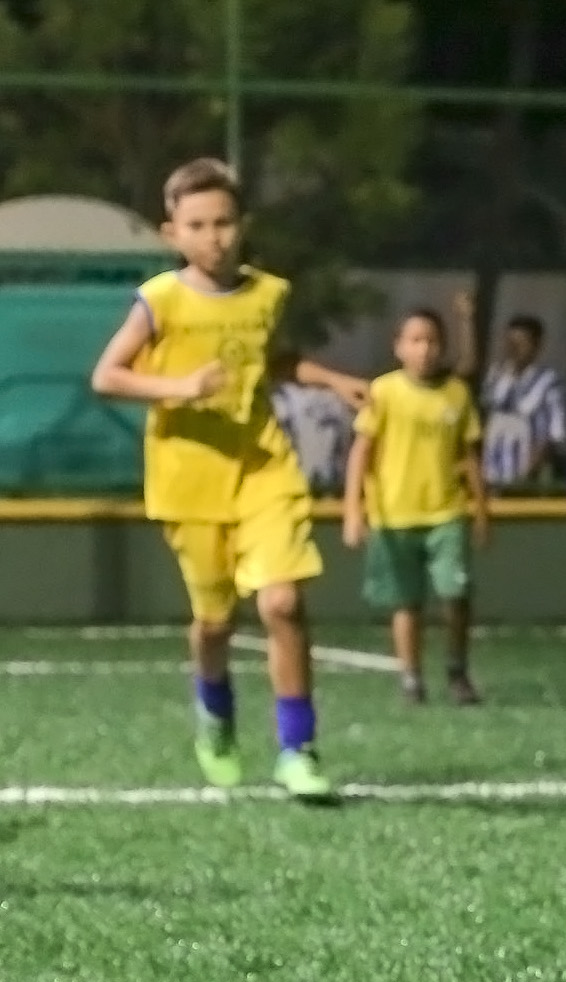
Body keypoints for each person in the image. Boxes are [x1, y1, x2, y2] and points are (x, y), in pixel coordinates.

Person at [89, 156, 369, 800]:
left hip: (263, 468)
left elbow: (270, 361)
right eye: (198, 224)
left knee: (282, 603)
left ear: (243, 225)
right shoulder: (159, 300)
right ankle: (214, 713)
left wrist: (333, 381)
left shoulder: (269, 294)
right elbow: (108, 376)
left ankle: (298, 749)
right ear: (172, 233)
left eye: (224, 222)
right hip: (189, 479)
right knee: (215, 623)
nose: (214, 236)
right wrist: (179, 387)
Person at [342, 307, 489, 706]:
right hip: (394, 516)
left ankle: (457, 671)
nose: (424, 349)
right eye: (415, 341)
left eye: (432, 341)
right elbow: (361, 452)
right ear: (399, 347)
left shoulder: (457, 394)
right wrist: (353, 511)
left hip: (446, 514)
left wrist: (480, 510)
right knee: (406, 602)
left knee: (455, 595)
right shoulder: (384, 392)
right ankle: (411, 677)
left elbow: (469, 456)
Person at [453, 291, 566, 490]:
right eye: (509, 342)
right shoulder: (497, 375)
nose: (513, 348)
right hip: (490, 477)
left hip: (526, 482)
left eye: (520, 343)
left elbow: (552, 436)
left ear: (537, 345)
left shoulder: (549, 383)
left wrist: (526, 477)